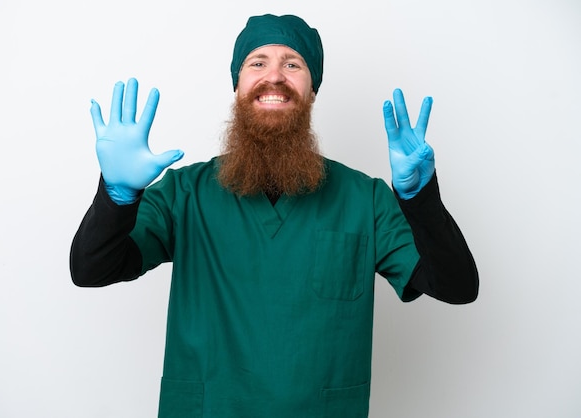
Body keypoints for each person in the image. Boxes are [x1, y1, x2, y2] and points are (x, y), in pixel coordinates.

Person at [70, 14, 478, 418]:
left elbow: (457, 286)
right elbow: (91, 269)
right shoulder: (184, 194)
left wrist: (420, 198)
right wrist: (117, 195)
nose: (275, 77)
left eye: (293, 64)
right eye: (258, 62)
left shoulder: (364, 199)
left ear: (312, 89)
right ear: (238, 86)